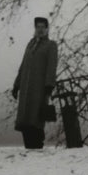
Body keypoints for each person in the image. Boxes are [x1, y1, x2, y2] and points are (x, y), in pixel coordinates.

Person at [12, 16, 59, 149]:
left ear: (47, 29)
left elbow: (52, 66)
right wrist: (16, 85)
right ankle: (28, 146)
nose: (40, 29)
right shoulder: (30, 44)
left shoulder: (51, 45)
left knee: (36, 118)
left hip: (39, 89)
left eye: (42, 27)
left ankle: (37, 146)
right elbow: (23, 66)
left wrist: (49, 86)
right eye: (38, 27)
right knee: (25, 120)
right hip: (26, 89)